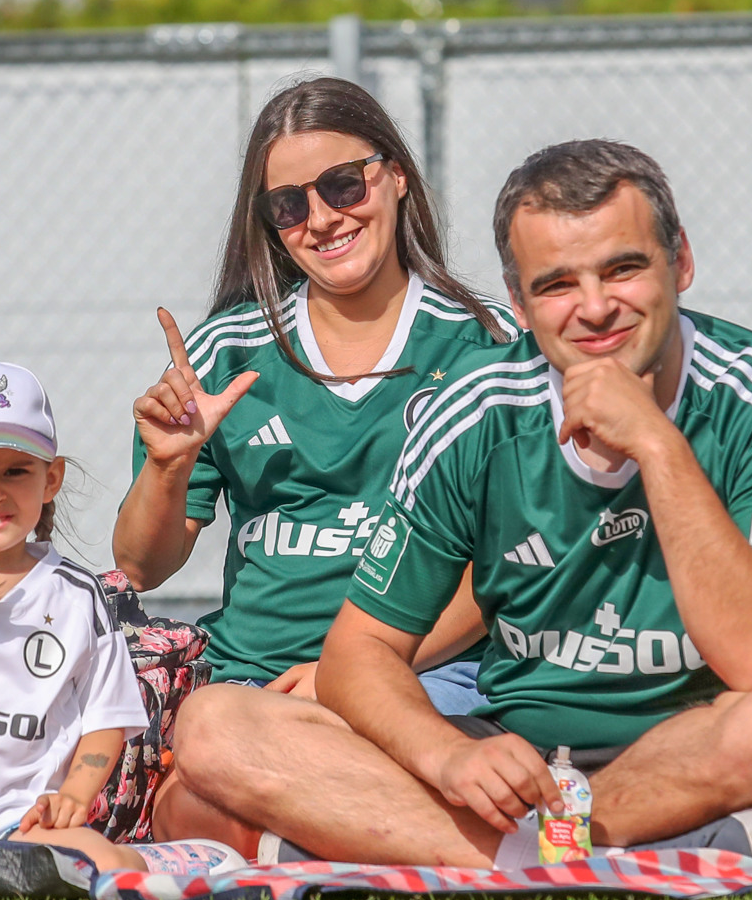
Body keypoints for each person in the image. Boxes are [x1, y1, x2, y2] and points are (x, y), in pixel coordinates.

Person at [171, 140, 752, 868]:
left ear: (682, 262)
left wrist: (657, 444)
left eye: (623, 268)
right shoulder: (473, 408)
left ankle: (501, 848)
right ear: (518, 303)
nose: (595, 306)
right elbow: (361, 652)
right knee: (214, 724)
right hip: (522, 761)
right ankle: (625, 847)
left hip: (706, 743)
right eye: (556, 284)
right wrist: (449, 755)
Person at [112, 78, 516, 843]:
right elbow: (139, 563)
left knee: (214, 783)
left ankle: (324, 834)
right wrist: (168, 464)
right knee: (187, 784)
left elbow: (503, 567)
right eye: (290, 205)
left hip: (416, 670)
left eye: (342, 184)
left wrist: (346, 678)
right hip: (249, 677)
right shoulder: (223, 352)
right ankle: (408, 839)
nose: (322, 219)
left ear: (396, 175)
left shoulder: (483, 346)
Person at [0, 360, 245, 875]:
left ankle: (161, 865)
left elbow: (107, 718)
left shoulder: (78, 596)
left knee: (95, 858)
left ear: (51, 478)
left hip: (20, 829)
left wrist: (74, 796)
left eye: (16, 470)